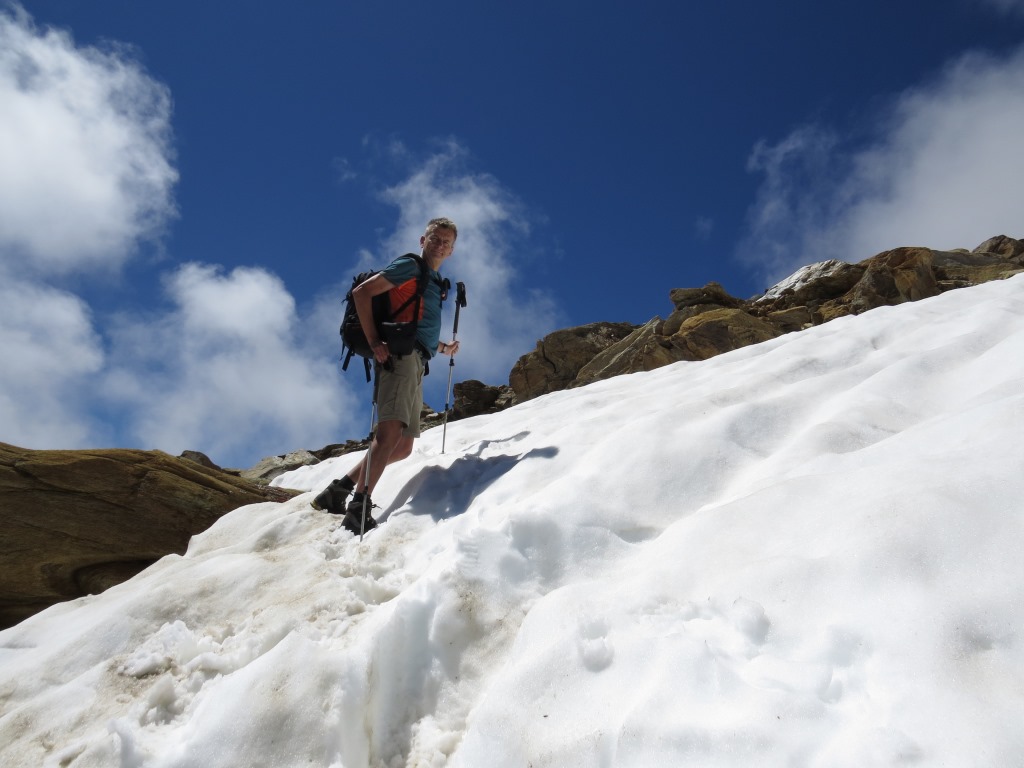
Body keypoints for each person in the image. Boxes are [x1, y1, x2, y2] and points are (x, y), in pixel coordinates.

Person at [313, 217, 460, 533]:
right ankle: (358, 509)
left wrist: (443, 347)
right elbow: (363, 293)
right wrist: (374, 342)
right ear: (423, 240)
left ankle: (338, 490)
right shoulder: (410, 266)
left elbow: (413, 320)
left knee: (404, 446)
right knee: (390, 433)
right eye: (436, 238)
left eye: (447, 242)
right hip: (400, 357)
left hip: (417, 358)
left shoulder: (433, 281)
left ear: (452, 250)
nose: (440, 244)